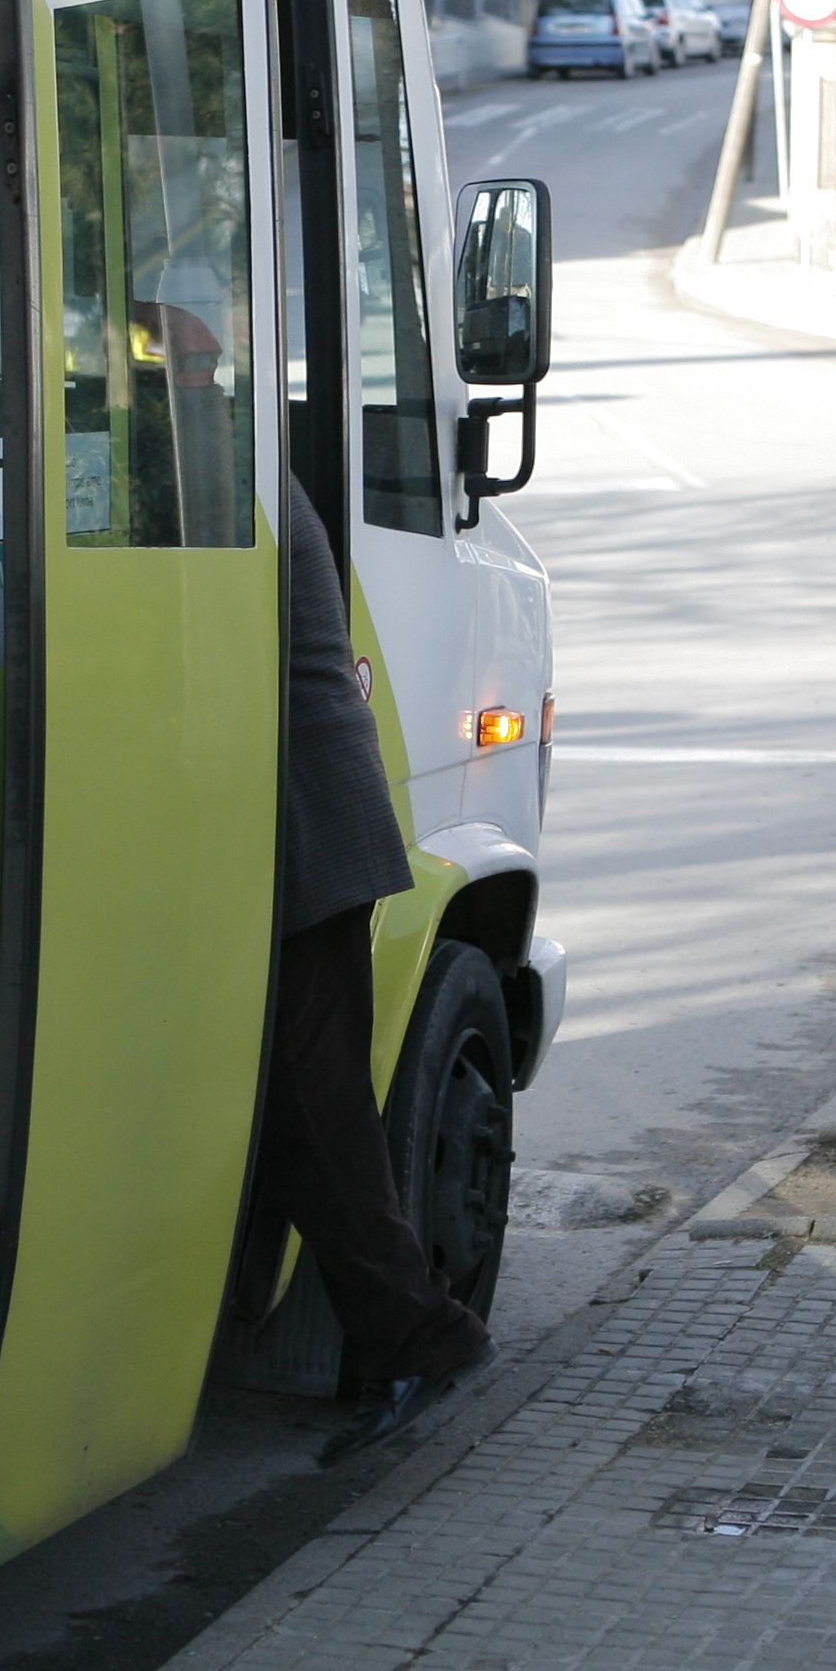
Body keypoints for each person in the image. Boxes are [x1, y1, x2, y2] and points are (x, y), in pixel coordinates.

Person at [263, 471, 492, 1463]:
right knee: (307, 1108)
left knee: (319, 1110)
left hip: (311, 832)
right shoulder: (248, 469)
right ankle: (409, 1331)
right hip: (306, 831)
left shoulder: (229, 478)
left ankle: (421, 1337)